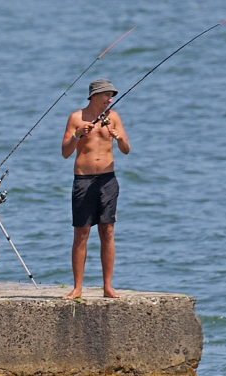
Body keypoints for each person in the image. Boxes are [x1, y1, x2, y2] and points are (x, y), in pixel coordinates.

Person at [61, 78, 130, 300]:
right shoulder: (76, 118)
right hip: (83, 180)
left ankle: (107, 287)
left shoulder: (114, 117)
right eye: (106, 95)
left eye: (111, 96)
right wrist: (77, 135)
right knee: (81, 232)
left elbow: (126, 149)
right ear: (94, 96)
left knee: (107, 231)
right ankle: (77, 288)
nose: (110, 99)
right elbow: (65, 152)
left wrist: (119, 138)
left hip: (108, 180)